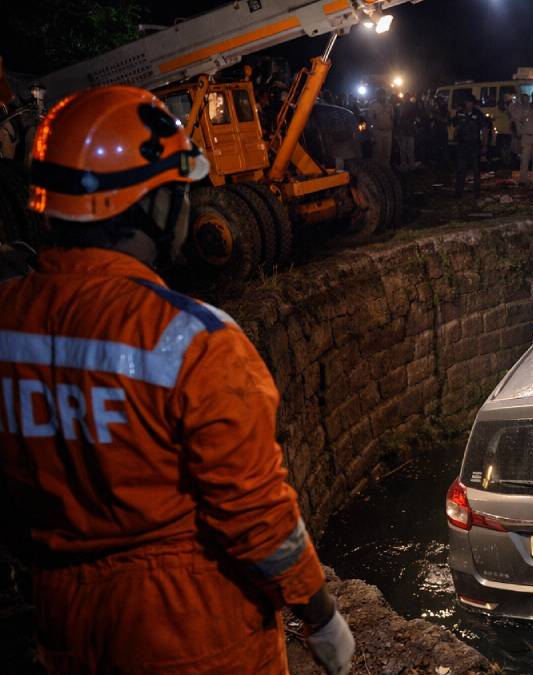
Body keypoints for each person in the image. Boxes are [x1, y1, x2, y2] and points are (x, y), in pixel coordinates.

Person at [0, 86, 353, 674]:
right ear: (152, 205)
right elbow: (256, 514)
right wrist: (318, 613)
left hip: (65, 622)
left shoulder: (9, 317)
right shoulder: (194, 341)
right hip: (189, 628)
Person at [452, 95, 487, 199]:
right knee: (460, 169)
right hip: (462, 144)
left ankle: (476, 193)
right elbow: (455, 126)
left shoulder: (478, 114)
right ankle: (459, 192)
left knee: (476, 170)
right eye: (467, 102)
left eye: (470, 102)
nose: (468, 104)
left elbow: (485, 129)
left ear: (473, 103)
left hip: (474, 145)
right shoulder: (460, 113)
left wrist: (485, 145)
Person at [366, 87, 393, 166]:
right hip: (377, 132)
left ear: (385, 95)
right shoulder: (373, 105)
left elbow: (392, 118)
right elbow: (369, 119)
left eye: (383, 94)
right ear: (376, 95)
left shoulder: (389, 105)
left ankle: (386, 171)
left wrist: (392, 128)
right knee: (377, 154)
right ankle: (378, 172)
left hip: (388, 132)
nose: (381, 96)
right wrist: (371, 134)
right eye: (379, 94)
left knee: (387, 154)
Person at [492, 95, 514, 173]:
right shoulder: (495, 111)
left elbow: (512, 119)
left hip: (507, 134)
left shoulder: (508, 111)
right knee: (499, 151)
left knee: (506, 151)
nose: (502, 105)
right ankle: (500, 167)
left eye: (503, 104)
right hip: (499, 134)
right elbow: (492, 119)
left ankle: (507, 167)